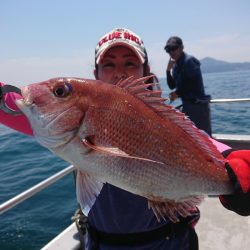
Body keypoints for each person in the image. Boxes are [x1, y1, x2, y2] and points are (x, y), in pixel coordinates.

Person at [0, 28, 250, 250]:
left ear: (146, 71)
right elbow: (9, 103)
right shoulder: (52, 122)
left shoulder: (163, 117)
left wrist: (232, 164)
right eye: (108, 64)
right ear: (95, 73)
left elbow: (204, 142)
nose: (119, 71)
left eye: (130, 63)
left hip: (171, 242)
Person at [164, 36, 212, 136]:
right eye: (168, 50)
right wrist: (168, 71)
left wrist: (176, 93)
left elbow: (191, 83)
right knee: (192, 138)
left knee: (205, 138)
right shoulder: (176, 66)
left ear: (182, 47)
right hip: (187, 106)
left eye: (174, 48)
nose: (171, 52)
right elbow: (172, 86)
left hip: (197, 106)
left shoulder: (189, 61)